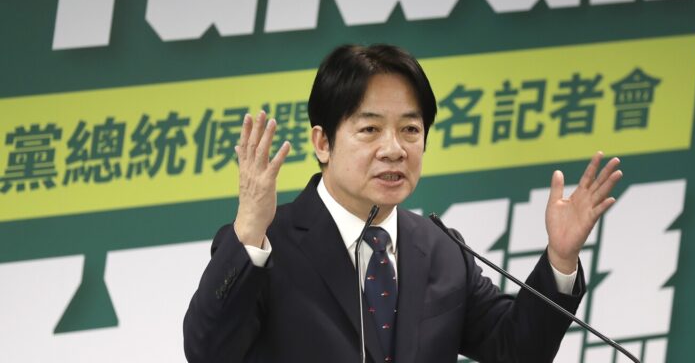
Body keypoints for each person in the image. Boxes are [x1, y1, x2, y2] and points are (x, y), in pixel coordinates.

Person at [183, 44, 622, 363]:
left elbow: (515, 350)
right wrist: (248, 231)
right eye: (370, 130)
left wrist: (561, 259)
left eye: (410, 130)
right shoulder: (265, 246)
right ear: (323, 142)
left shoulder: (441, 248)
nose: (394, 150)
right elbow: (207, 351)